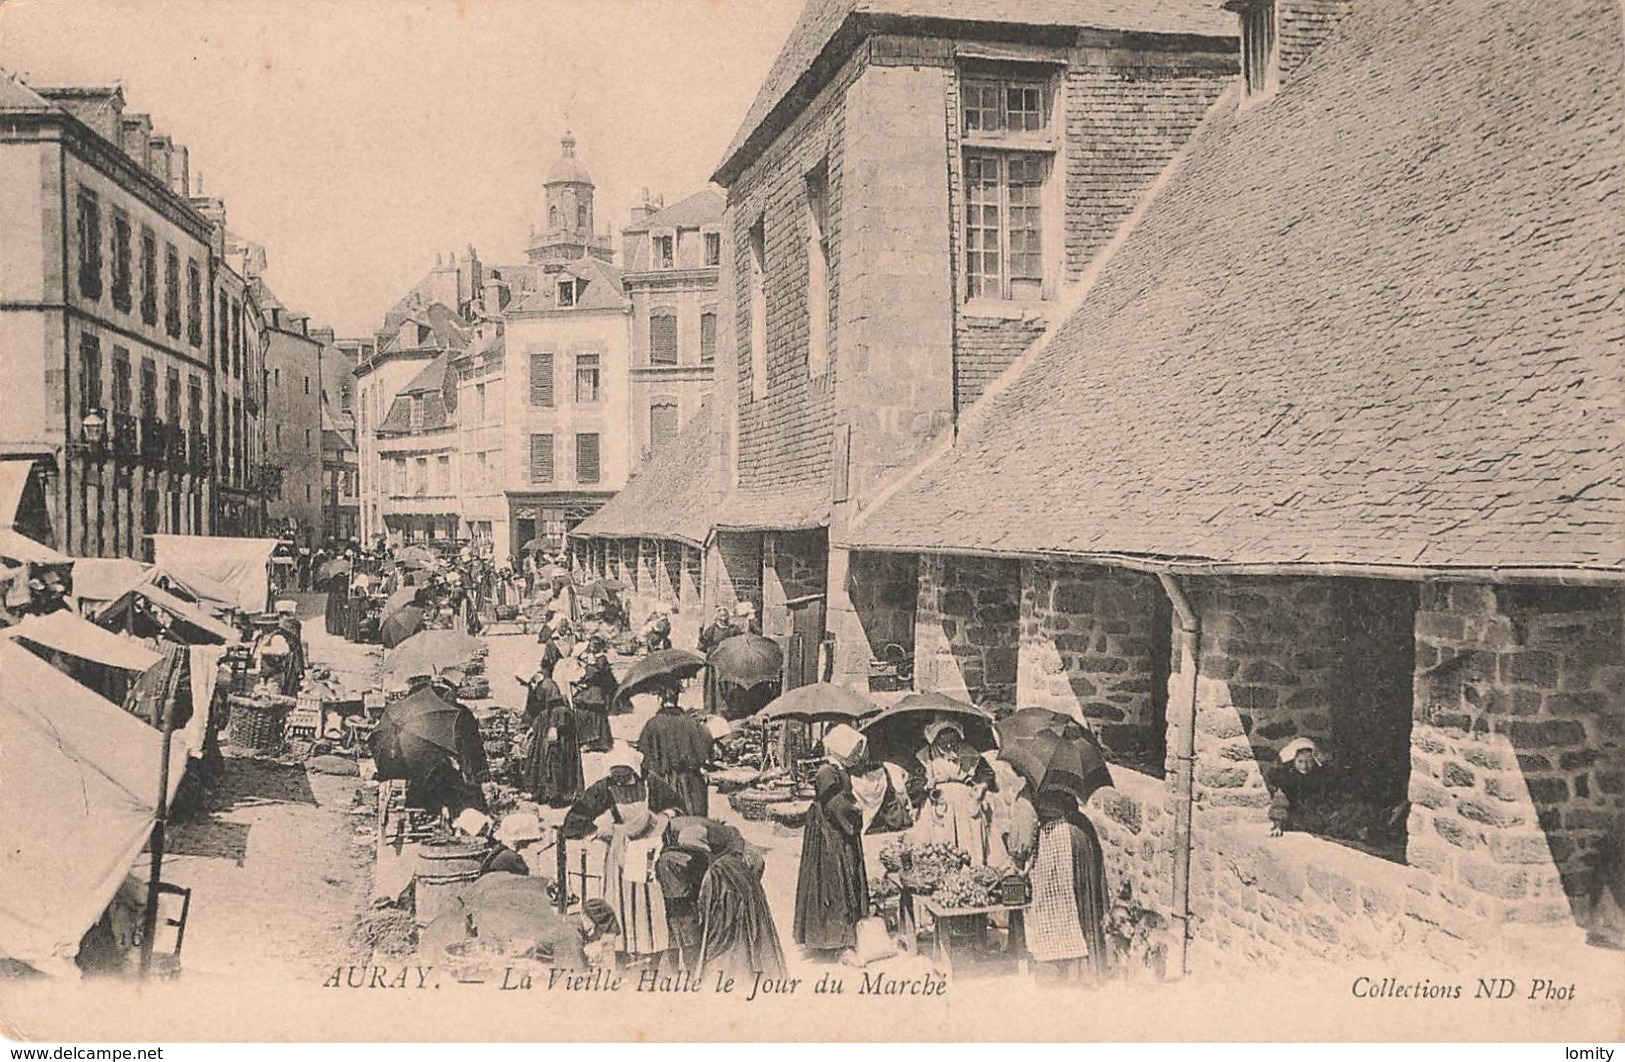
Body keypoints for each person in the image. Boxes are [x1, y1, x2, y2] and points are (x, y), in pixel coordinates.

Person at [562, 746, 681, 962]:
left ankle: (651, 946)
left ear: (633, 770)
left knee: (650, 898)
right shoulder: (604, 787)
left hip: (649, 845)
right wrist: (597, 832)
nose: (619, 779)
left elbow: (676, 805)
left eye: (624, 775)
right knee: (621, 899)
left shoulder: (651, 782)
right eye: (615, 775)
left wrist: (664, 817)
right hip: (621, 850)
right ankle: (624, 946)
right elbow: (575, 818)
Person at [793, 725, 870, 959]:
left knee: (842, 879)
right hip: (829, 832)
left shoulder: (837, 769)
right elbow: (835, 803)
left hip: (836, 827)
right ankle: (836, 941)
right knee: (833, 882)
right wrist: (854, 811)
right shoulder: (827, 771)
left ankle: (837, 937)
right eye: (853, 750)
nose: (856, 756)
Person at [1023, 788, 1109, 983]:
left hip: (1060, 839)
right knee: (1083, 902)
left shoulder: (1036, 785)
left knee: (1055, 905)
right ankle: (1086, 969)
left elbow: (1023, 840)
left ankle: (1061, 968)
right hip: (1079, 831)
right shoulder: (1067, 777)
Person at [696, 825, 787, 981]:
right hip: (750, 923)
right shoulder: (742, 865)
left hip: (724, 935)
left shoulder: (715, 871)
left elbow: (705, 905)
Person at [904, 718, 995, 865]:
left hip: (965, 801)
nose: (949, 743)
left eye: (952, 737)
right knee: (941, 840)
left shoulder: (969, 752)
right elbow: (913, 783)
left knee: (969, 840)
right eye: (943, 737)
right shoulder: (925, 755)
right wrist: (927, 785)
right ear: (936, 737)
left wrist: (982, 785)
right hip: (939, 802)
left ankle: (972, 870)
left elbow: (987, 772)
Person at [636, 686, 714, 816]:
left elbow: (643, 756)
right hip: (691, 782)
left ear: (660, 699)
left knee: (667, 821)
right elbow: (706, 747)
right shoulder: (691, 722)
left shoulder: (653, 724)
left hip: (663, 783)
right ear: (677, 698)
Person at [654, 825, 712, 972]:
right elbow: (699, 885)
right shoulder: (696, 860)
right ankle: (692, 972)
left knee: (672, 938)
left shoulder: (663, 858)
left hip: (667, 902)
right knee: (690, 940)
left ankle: (673, 971)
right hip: (687, 904)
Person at [522, 670, 583, 806]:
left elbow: (556, 723)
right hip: (551, 735)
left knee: (554, 767)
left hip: (559, 742)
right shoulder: (550, 706)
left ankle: (555, 796)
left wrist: (553, 728)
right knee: (546, 765)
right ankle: (548, 794)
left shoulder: (557, 706)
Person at [1269, 737, 1334, 837]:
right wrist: (1278, 825)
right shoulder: (1288, 781)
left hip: (1318, 821)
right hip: (1296, 822)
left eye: (1309, 762)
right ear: (1293, 762)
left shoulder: (1319, 778)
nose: (1305, 766)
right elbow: (1280, 804)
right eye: (1300, 761)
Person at [569, 637, 617, 751]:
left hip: (596, 690)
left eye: (594, 646)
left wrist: (583, 671)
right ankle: (591, 739)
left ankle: (593, 740)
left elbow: (594, 674)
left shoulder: (601, 659)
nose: (591, 648)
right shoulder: (595, 658)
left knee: (586, 709)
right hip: (592, 689)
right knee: (588, 711)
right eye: (591, 645)